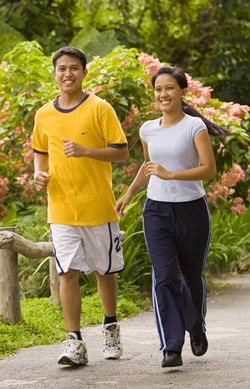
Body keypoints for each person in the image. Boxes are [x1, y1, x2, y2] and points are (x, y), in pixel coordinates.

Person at [115, 66, 226, 368]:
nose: (163, 94)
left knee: (192, 276)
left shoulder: (194, 127)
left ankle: (197, 326)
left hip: (191, 209)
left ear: (181, 91)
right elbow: (149, 166)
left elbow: (209, 169)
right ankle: (171, 345)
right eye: (158, 89)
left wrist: (171, 174)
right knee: (163, 276)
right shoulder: (148, 129)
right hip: (156, 210)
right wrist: (129, 193)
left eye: (169, 88)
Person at [32, 46, 129, 366]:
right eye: (61, 68)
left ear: (84, 72)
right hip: (60, 209)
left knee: (105, 271)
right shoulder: (44, 114)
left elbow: (121, 152)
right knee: (67, 273)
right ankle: (74, 341)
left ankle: (110, 326)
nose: (67, 74)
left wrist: (87, 151)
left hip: (98, 207)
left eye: (74, 68)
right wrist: (38, 173)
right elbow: (40, 150)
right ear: (55, 73)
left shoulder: (100, 108)